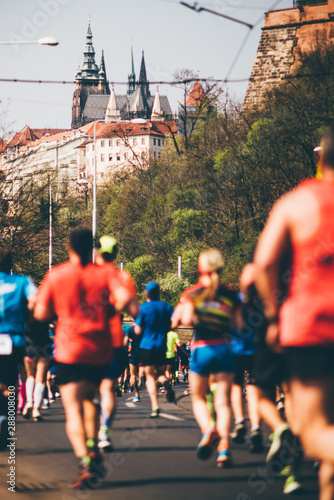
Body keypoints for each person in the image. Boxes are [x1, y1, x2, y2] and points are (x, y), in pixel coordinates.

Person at [254, 128, 334, 500]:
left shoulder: (297, 203)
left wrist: (272, 314)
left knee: (315, 430)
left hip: (313, 329)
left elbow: (265, 263)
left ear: (320, 160)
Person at [34, 228, 132, 489]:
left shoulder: (57, 274)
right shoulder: (106, 273)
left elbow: (41, 313)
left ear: (68, 246)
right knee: (90, 400)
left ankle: (86, 461)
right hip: (99, 350)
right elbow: (125, 301)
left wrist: (61, 312)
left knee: (73, 409)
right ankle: (93, 447)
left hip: (68, 350)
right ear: (92, 248)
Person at [172, 249, 240, 468]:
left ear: (200, 268)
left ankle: (209, 429)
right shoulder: (231, 294)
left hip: (202, 349)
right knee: (223, 402)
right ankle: (225, 449)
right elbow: (240, 325)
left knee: (199, 397)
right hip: (225, 349)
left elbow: (182, 321)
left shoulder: (192, 294)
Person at [94, 236, 138, 452]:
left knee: (85, 392)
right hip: (112, 340)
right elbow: (135, 311)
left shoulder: (84, 274)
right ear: (116, 254)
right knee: (108, 389)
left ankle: (88, 440)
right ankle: (104, 431)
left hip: (84, 341)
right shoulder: (122, 277)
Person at [0, 248, 37, 449]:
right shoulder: (23, 282)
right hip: (14, 339)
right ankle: (7, 415)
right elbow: (35, 302)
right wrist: (29, 319)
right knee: (12, 382)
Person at [134, 282, 175, 418]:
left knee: (150, 377)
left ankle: (155, 406)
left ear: (147, 293)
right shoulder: (166, 307)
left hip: (146, 346)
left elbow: (138, 329)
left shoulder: (143, 308)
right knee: (161, 373)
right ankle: (166, 382)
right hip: (161, 346)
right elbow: (173, 324)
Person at [22, 319, 52, 421]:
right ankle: (36, 410)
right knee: (41, 378)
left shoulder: (27, 309)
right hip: (44, 343)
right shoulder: (46, 309)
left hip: (29, 344)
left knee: (30, 375)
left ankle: (29, 402)